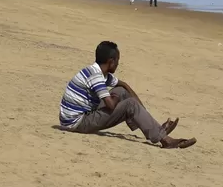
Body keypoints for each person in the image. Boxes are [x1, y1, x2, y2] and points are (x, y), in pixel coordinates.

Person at [58, 41, 195, 149]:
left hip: (79, 115)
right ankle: (165, 140)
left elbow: (124, 85)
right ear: (111, 61)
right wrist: (116, 98)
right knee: (129, 104)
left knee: (122, 91)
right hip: (77, 123)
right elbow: (111, 105)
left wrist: (143, 111)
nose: (118, 64)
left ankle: (155, 128)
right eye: (117, 61)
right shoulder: (96, 76)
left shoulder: (98, 71)